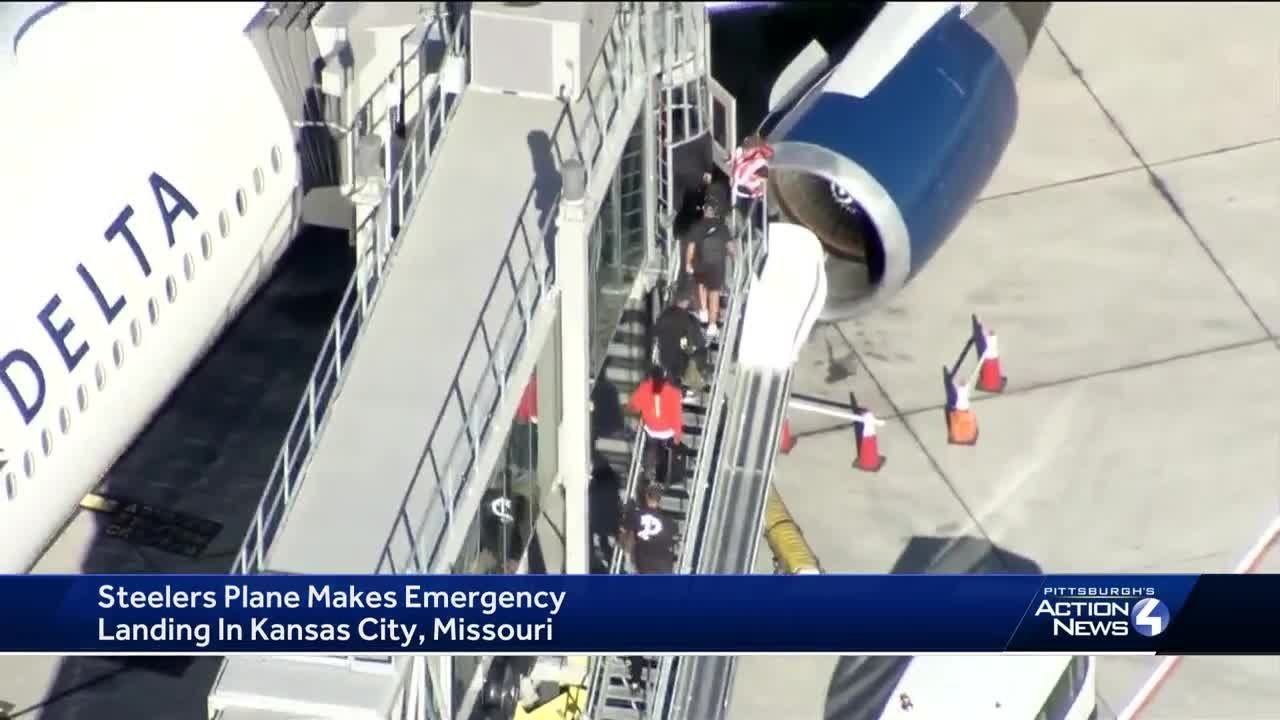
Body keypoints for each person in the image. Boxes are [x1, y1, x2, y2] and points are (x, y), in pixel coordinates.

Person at [620, 483, 677, 694]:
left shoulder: (637, 516)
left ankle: (635, 678)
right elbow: (672, 538)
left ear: (646, 496)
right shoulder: (669, 523)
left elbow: (625, 529)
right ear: (659, 499)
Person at [626, 366, 684, 489]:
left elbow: (632, 407)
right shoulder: (673, 392)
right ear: (663, 376)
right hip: (668, 431)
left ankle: (648, 472)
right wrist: (678, 435)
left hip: (651, 428)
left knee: (651, 448)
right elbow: (677, 416)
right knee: (665, 450)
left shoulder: (644, 388)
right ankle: (662, 476)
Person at [685, 197, 734, 338]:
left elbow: (691, 247)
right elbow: (731, 247)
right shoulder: (722, 226)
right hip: (717, 264)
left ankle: (703, 311)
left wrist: (688, 262)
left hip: (701, 262)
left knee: (701, 284)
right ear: (715, 212)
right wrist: (735, 260)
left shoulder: (697, 226)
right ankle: (712, 325)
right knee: (714, 293)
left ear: (705, 211)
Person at [652, 290, 707, 402]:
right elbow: (696, 341)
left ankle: (672, 394)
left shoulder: (665, 315)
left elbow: (656, 331)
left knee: (673, 372)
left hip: (668, 355)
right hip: (679, 356)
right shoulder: (689, 320)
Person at [588, 453, 623, 572]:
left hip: (600, 516)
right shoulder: (612, 478)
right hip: (610, 515)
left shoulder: (596, 481)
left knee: (602, 540)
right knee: (606, 541)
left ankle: (611, 561)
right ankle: (614, 561)